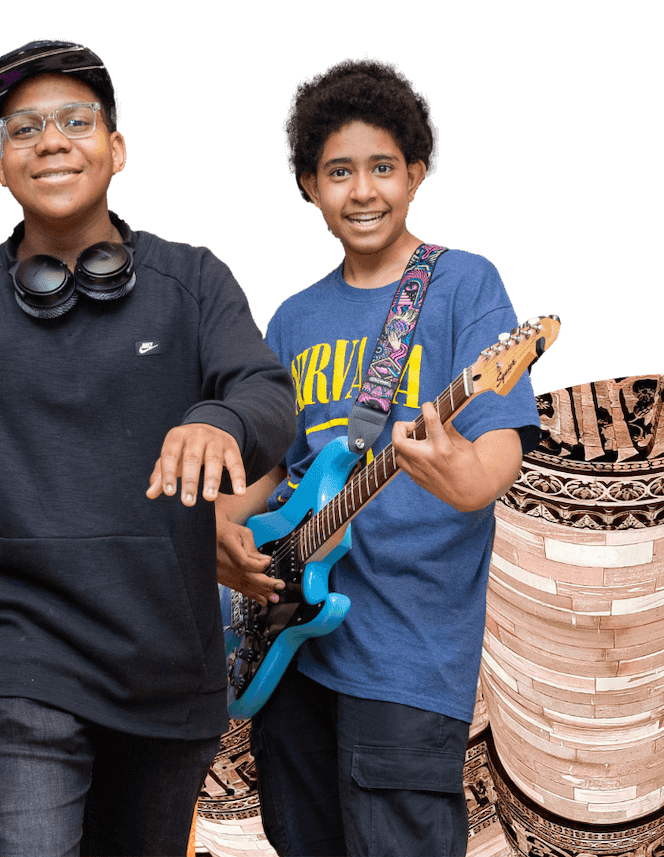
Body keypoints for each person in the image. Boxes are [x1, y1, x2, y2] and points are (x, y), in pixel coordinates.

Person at [0, 38, 296, 857]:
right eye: (22, 128)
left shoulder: (195, 280)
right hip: (11, 651)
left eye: (75, 120)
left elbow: (265, 395)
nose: (50, 139)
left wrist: (219, 421)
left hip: (165, 663)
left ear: (115, 149)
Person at [215, 57, 540, 857]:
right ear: (308, 187)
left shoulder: (463, 285)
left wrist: (457, 476)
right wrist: (223, 533)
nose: (362, 191)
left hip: (406, 657)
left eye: (382, 168)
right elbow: (265, 474)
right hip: (287, 648)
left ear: (417, 174)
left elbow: (494, 458)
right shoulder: (291, 318)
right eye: (339, 172)